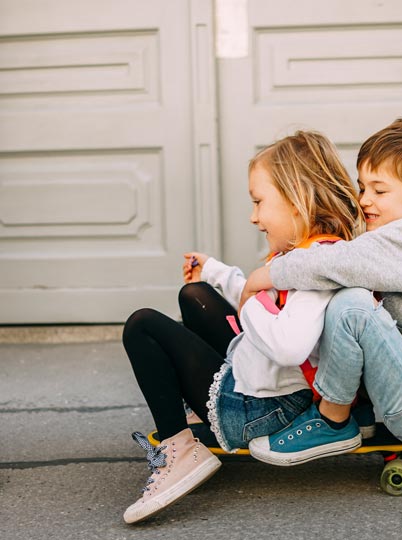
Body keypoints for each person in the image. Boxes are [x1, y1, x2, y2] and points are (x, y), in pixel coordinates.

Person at [121, 130, 363, 524]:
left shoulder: (315, 267)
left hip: (263, 409)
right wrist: (217, 273)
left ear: (297, 198)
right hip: (267, 386)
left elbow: (288, 345)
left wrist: (252, 296)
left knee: (142, 326)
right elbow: (271, 301)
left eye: (259, 202)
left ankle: (179, 452)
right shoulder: (313, 252)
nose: (253, 216)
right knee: (194, 293)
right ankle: (195, 414)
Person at [242, 117, 402, 466]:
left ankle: (332, 420)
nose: (364, 200)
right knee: (354, 302)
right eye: (362, 187)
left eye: (379, 191)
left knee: (351, 306)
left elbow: (335, 263)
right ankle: (360, 413)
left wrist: (268, 274)